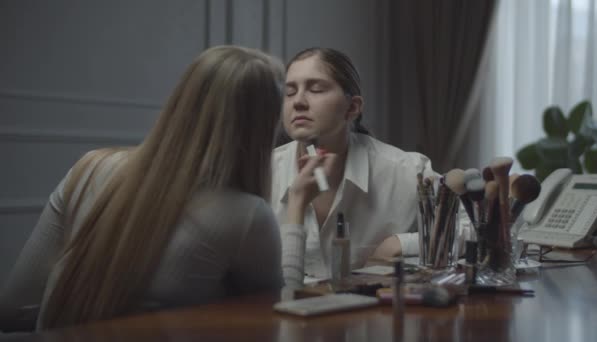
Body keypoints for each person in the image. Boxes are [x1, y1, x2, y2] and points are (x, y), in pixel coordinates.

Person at [0, 46, 285, 331]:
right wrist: (295, 208)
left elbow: (13, 310)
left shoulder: (89, 168)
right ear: (261, 126)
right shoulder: (247, 214)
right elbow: (283, 322)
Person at [274, 47, 438, 284]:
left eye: (316, 89)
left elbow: (470, 226)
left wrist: (400, 244)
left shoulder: (407, 171)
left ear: (352, 107)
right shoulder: (263, 173)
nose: (298, 102)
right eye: (289, 93)